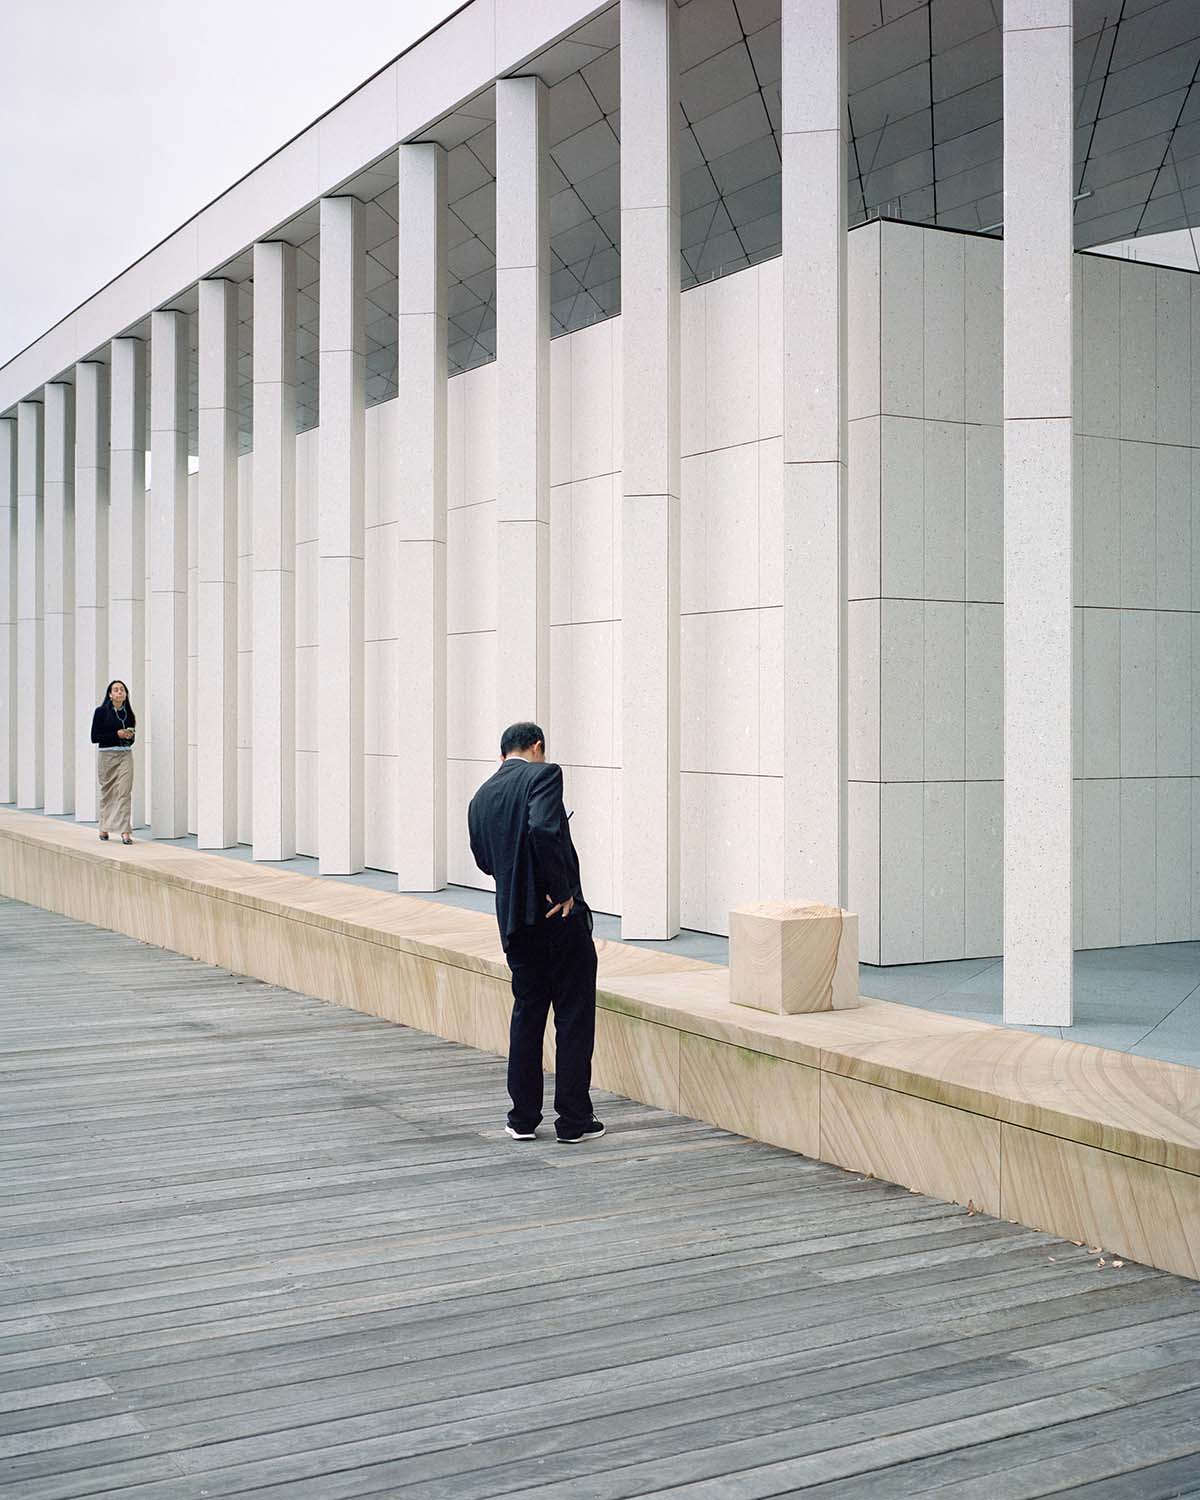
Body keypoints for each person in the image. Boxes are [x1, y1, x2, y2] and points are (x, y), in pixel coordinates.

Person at [468, 722, 604, 1144]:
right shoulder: (544, 774)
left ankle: (522, 1119)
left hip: (514, 924)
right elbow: (543, 829)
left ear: (501, 754)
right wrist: (562, 891)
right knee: (573, 1017)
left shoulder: (481, 796)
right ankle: (574, 1121)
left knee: (527, 1017)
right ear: (537, 746)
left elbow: (484, 860)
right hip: (556, 918)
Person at [90, 680, 136, 845]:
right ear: (110, 694)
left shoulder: (129, 713)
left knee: (124, 792)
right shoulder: (101, 712)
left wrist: (129, 736)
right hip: (107, 756)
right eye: (115, 690)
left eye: (122, 689)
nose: (119, 692)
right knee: (108, 792)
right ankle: (104, 826)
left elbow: (132, 739)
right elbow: (94, 737)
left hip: (125, 755)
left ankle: (125, 831)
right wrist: (116, 734)